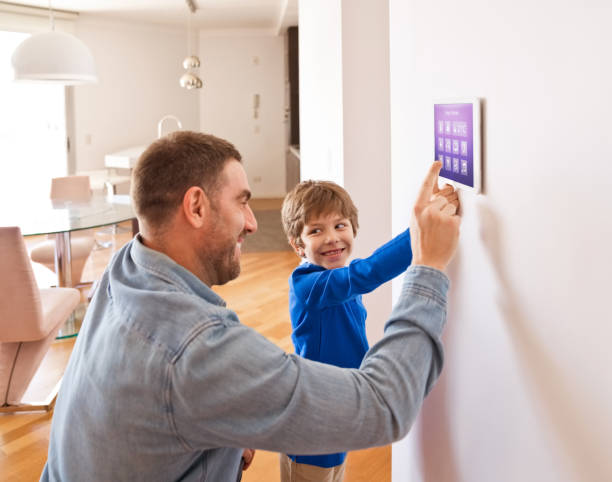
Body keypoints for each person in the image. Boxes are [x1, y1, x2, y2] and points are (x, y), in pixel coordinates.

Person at [41, 131, 460, 482]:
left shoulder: (126, 267)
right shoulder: (198, 350)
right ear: (197, 206)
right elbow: (385, 407)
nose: (253, 222)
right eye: (242, 201)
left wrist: (221, 429)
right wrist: (428, 265)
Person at [278, 180, 456, 481]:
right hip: (312, 417)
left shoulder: (338, 279)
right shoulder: (309, 286)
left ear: (353, 229)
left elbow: (363, 273)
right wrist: (421, 230)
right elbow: (369, 272)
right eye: (316, 231)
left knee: (333, 472)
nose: (332, 238)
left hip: (339, 406)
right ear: (298, 245)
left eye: (340, 225)